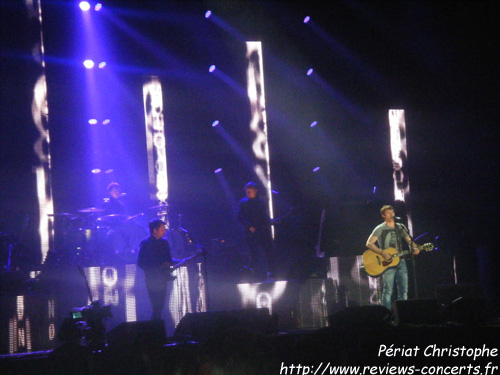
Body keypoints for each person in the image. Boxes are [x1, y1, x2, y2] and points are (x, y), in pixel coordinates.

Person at [365, 205, 420, 310]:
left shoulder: (400, 226)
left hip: (401, 261)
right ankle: (387, 314)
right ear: (383, 215)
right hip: (387, 263)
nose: (392, 214)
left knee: (404, 290)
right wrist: (382, 252)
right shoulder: (380, 228)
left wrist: (415, 247)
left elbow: (409, 241)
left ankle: (402, 313)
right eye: (389, 213)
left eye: (392, 212)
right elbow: (369, 243)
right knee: (388, 291)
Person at [137, 219, 181, 320]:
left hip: (164, 278)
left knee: (161, 306)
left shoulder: (164, 243)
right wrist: (158, 267)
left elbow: (169, 260)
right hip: (152, 279)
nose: (164, 232)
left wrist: (181, 261)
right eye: (162, 230)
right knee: (156, 306)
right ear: (155, 230)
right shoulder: (145, 244)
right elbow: (141, 263)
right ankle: (155, 327)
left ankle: (158, 325)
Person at [237, 182, 275, 280]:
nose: (248, 193)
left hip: (263, 232)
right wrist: (249, 226)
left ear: (255, 191)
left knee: (268, 252)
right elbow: (239, 216)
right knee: (254, 254)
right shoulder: (243, 202)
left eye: (250, 191)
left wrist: (270, 221)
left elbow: (264, 216)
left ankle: (270, 273)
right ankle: (252, 275)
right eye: (247, 192)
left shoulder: (260, 202)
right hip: (251, 234)